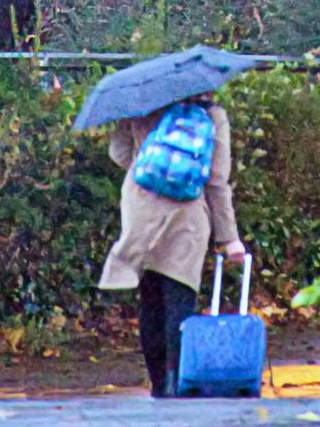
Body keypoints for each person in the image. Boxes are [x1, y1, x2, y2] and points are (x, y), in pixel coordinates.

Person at [99, 92, 246, 398]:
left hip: (142, 210)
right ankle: (176, 379)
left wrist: (150, 166)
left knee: (150, 300)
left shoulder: (140, 105)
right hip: (187, 214)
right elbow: (217, 181)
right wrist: (229, 238)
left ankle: (156, 383)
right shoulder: (212, 115)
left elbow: (118, 152)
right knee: (179, 298)